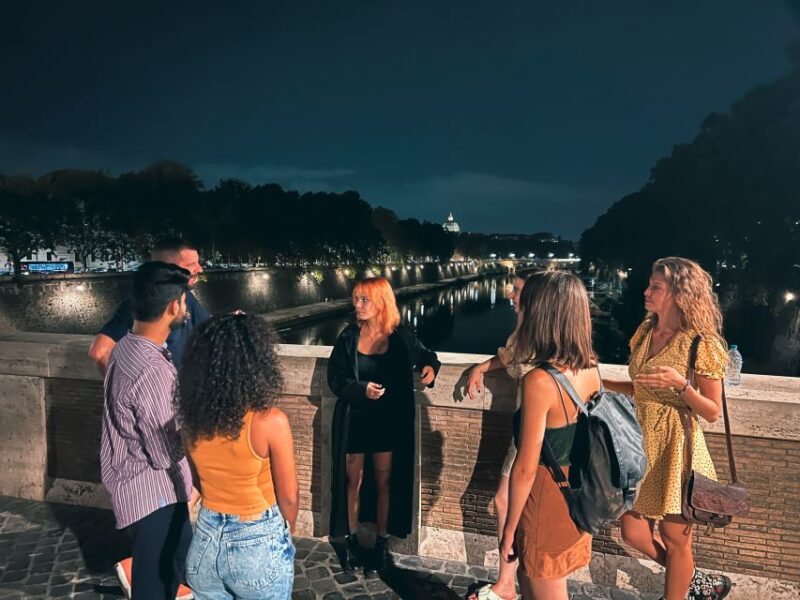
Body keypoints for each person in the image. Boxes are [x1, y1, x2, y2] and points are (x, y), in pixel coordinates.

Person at [603, 257, 732, 600]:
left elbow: (713, 411)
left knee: (676, 540)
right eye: (649, 284)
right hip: (641, 443)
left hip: (677, 447)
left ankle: (678, 591)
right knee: (633, 532)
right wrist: (600, 383)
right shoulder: (646, 332)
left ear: (679, 293)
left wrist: (681, 386)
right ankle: (695, 582)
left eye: (655, 287)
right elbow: (642, 387)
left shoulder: (699, 342)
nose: (646, 291)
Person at [177, 314, 298, 599]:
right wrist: (284, 533)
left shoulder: (192, 420)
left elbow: (198, 483)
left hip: (205, 540)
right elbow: (289, 497)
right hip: (256, 541)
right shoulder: (270, 421)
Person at [327, 276, 441, 573]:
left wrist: (430, 367)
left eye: (365, 300)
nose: (358, 305)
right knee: (353, 481)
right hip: (356, 420)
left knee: (385, 482)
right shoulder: (348, 336)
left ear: (381, 302)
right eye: (356, 299)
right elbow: (336, 378)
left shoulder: (400, 335)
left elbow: (427, 355)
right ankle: (351, 541)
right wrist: (360, 390)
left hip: (388, 422)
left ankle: (381, 544)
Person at [99, 261, 198, 600]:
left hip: (133, 488)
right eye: (185, 300)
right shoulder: (154, 369)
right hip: (157, 496)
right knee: (156, 586)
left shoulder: (125, 346)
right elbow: (163, 452)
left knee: (170, 570)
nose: (187, 307)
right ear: (174, 306)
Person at [499, 271, 600, 600]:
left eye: (526, 305)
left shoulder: (540, 382)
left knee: (543, 589)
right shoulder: (589, 369)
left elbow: (525, 469)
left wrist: (509, 529)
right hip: (577, 492)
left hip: (545, 498)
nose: (520, 309)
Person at [465, 273, 531, 600]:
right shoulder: (526, 333)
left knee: (506, 502)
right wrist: (481, 367)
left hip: (531, 433)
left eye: (516, 290)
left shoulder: (537, 336)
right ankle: (511, 582)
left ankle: (508, 585)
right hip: (525, 429)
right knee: (513, 504)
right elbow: (508, 358)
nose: (510, 294)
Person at [89, 238, 209, 373]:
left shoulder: (185, 295)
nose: (199, 268)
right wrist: (130, 387)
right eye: (190, 264)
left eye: (197, 262)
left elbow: (208, 326)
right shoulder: (141, 303)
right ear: (166, 268)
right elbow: (99, 351)